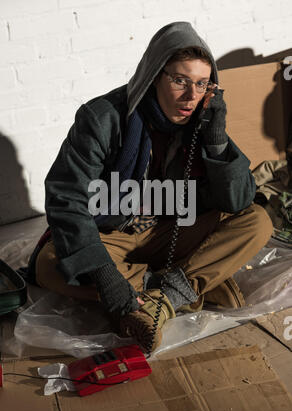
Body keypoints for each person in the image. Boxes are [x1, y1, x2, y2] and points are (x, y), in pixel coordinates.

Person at [28, 21, 273, 353]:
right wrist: (106, 278)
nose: (190, 96)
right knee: (49, 264)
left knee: (257, 221)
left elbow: (238, 200)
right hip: (113, 229)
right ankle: (185, 286)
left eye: (201, 84)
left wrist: (216, 142)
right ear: (155, 74)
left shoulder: (202, 120)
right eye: (180, 80)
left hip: (172, 227)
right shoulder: (103, 118)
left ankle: (164, 297)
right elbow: (66, 200)